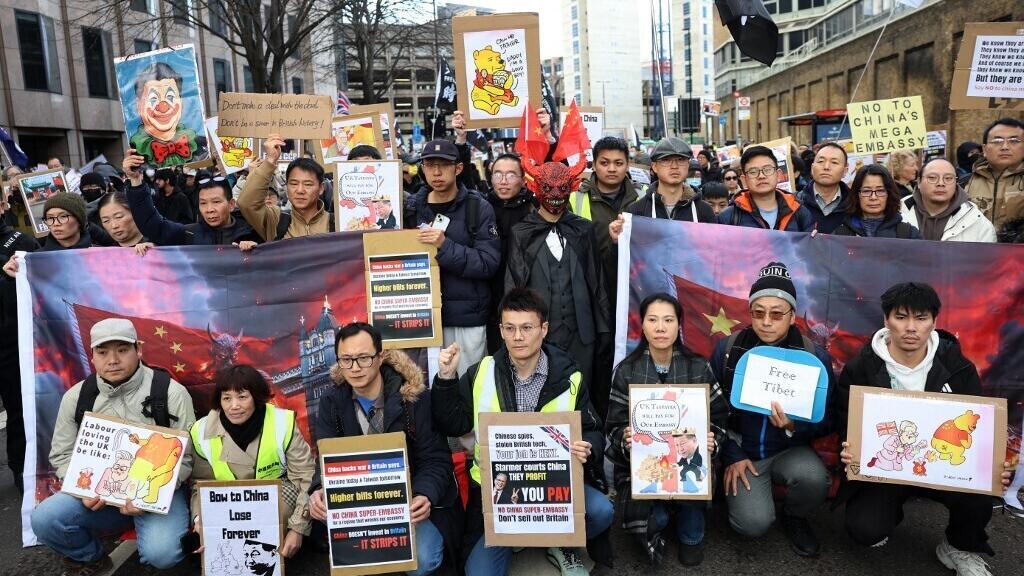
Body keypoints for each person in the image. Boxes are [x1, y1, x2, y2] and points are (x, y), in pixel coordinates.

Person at [431, 289, 614, 576]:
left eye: (527, 328)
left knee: (602, 511)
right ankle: (520, 536)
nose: (518, 336)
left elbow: (592, 429)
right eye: (510, 328)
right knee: (479, 573)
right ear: (501, 331)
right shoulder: (482, 372)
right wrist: (445, 378)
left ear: (544, 329)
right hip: (496, 493)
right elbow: (453, 424)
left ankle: (556, 542)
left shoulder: (570, 376)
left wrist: (587, 446)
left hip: (555, 489)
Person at [835, 282, 1014, 576]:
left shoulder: (957, 367)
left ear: (933, 322)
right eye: (901, 317)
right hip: (888, 468)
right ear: (886, 320)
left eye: (920, 318)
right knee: (864, 531)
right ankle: (889, 513)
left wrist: (994, 466)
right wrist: (849, 448)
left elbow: (979, 429)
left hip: (944, 464)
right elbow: (847, 425)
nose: (910, 328)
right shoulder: (861, 368)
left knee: (983, 487)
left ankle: (959, 545)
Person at [30, 318, 196, 574]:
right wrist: (81, 489)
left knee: (163, 554)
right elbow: (62, 454)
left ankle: (154, 541)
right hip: (100, 496)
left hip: (156, 494)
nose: (113, 360)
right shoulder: (77, 397)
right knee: (44, 518)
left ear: (138, 350)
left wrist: (148, 497)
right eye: (103, 352)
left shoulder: (170, 392)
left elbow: (186, 459)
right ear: (92, 356)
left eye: (122, 349)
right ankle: (90, 556)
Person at [308, 323, 460, 576]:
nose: (355, 368)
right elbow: (324, 458)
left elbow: (436, 459)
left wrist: (424, 495)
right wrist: (317, 490)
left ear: (379, 357)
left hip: (407, 503)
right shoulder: (331, 402)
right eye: (346, 360)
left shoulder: (414, 397)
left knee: (423, 558)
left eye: (363, 358)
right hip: (357, 504)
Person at [709, 262, 834, 557]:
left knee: (814, 479)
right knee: (752, 525)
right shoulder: (728, 350)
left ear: (792, 317)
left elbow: (829, 419)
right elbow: (709, 411)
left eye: (777, 314)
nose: (766, 321)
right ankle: (733, 494)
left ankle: (795, 516)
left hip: (789, 449)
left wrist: (793, 425)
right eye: (758, 312)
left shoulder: (814, 358)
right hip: (743, 449)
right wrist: (732, 454)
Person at [605, 293, 729, 567]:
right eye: (653, 320)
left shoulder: (698, 366)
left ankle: (689, 529)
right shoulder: (627, 371)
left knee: (691, 518)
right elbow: (612, 427)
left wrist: (712, 441)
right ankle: (662, 513)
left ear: (678, 325)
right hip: (644, 466)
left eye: (668, 320)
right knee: (654, 519)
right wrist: (625, 438)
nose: (660, 327)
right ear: (643, 325)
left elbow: (720, 417)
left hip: (689, 466)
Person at [504, 158, 611, 417]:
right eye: (548, 189)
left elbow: (598, 284)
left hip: (582, 334)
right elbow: (513, 286)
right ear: (536, 188)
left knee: (581, 400)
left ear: (572, 187)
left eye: (562, 189)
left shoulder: (582, 229)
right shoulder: (521, 232)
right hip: (539, 336)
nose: (555, 196)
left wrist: (603, 330)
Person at [190, 365, 315, 560]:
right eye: (226, 398)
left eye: (242, 397)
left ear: (256, 397)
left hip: (278, 490)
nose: (234, 406)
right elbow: (199, 485)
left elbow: (305, 477)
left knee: (266, 523)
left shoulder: (282, 422)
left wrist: (298, 528)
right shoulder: (200, 431)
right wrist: (200, 519)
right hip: (228, 499)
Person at [404, 139, 500, 376]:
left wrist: (444, 246)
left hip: (466, 320)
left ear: (458, 168)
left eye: (444, 165)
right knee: (429, 389)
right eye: (429, 165)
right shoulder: (410, 208)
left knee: (469, 386)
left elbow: (488, 263)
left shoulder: (478, 207)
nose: (436, 172)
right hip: (421, 319)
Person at [124, 150, 263, 247]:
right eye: (203, 203)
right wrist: (135, 181)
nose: (209, 210)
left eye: (216, 202)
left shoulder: (253, 232)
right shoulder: (189, 233)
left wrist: (255, 252)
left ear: (231, 204)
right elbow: (153, 226)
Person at [571, 137, 639, 306]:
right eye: (604, 163)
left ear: (627, 165)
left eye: (618, 163)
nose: (611, 169)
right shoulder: (575, 199)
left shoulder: (643, 196)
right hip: (591, 291)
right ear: (594, 164)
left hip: (636, 288)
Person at [0, 192, 38, 493]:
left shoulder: (19, 241)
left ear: (3, 205)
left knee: (18, 410)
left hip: (13, 343)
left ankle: (20, 468)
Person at [484, 152, 537, 352]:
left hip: (522, 294)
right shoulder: (482, 207)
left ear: (523, 180)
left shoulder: (533, 210)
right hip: (489, 295)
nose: (503, 181)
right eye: (498, 174)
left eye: (511, 175)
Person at [612, 138, 716, 233]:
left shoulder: (704, 211)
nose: (674, 166)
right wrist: (617, 241)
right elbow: (631, 252)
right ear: (654, 167)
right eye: (666, 160)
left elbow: (714, 249)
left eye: (680, 160)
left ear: (688, 165)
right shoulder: (636, 211)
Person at [240, 136, 334, 240]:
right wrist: (270, 160)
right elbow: (247, 203)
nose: (300, 190)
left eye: (308, 184)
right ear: (286, 186)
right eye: (294, 184)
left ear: (321, 188)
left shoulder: (336, 222)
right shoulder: (276, 220)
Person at [129, 62, 207, 167]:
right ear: (139, 106)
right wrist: (134, 178)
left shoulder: (202, 147)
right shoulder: (136, 157)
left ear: (181, 103)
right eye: (153, 99)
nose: (163, 107)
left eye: (170, 97)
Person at [717, 146, 813, 231]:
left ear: (779, 175)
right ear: (744, 180)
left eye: (767, 170)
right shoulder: (729, 217)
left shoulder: (799, 212)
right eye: (753, 172)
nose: (761, 176)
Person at [901, 159, 996, 242]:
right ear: (919, 182)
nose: (941, 183)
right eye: (932, 178)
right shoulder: (897, 213)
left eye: (948, 178)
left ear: (956, 183)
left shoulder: (977, 222)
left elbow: (988, 261)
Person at [962, 117, 1024, 227]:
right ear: (984, 149)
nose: (1005, 147)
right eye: (997, 141)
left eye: (1014, 141)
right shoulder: (964, 184)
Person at [832, 165, 921, 239]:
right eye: (866, 191)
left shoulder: (908, 234)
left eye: (880, 191)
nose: (873, 197)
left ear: (889, 194)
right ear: (857, 194)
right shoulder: (840, 235)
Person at [797, 142, 851, 234]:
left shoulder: (854, 206)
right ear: (812, 168)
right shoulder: (795, 203)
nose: (826, 167)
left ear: (845, 171)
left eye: (834, 162)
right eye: (821, 161)